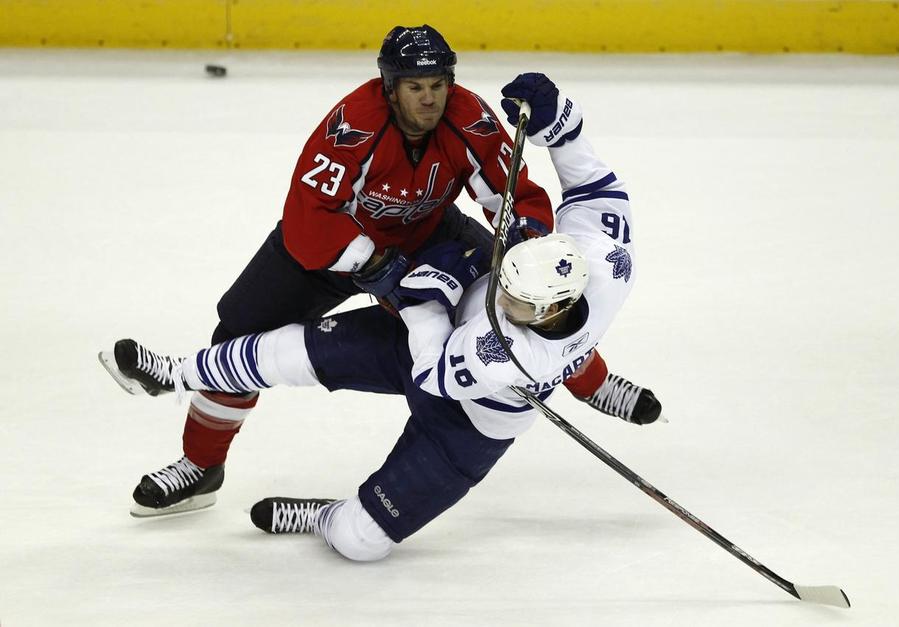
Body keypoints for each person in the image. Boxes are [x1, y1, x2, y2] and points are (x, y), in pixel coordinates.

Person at [101, 26, 659, 517]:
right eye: (415, 87)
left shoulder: (469, 117)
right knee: (238, 332)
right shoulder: (352, 126)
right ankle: (201, 467)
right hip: (333, 248)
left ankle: (589, 379)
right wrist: (373, 264)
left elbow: (515, 195)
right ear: (390, 87)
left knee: (520, 301)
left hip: (431, 237)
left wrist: (525, 242)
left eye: (438, 84)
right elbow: (307, 219)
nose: (430, 99)